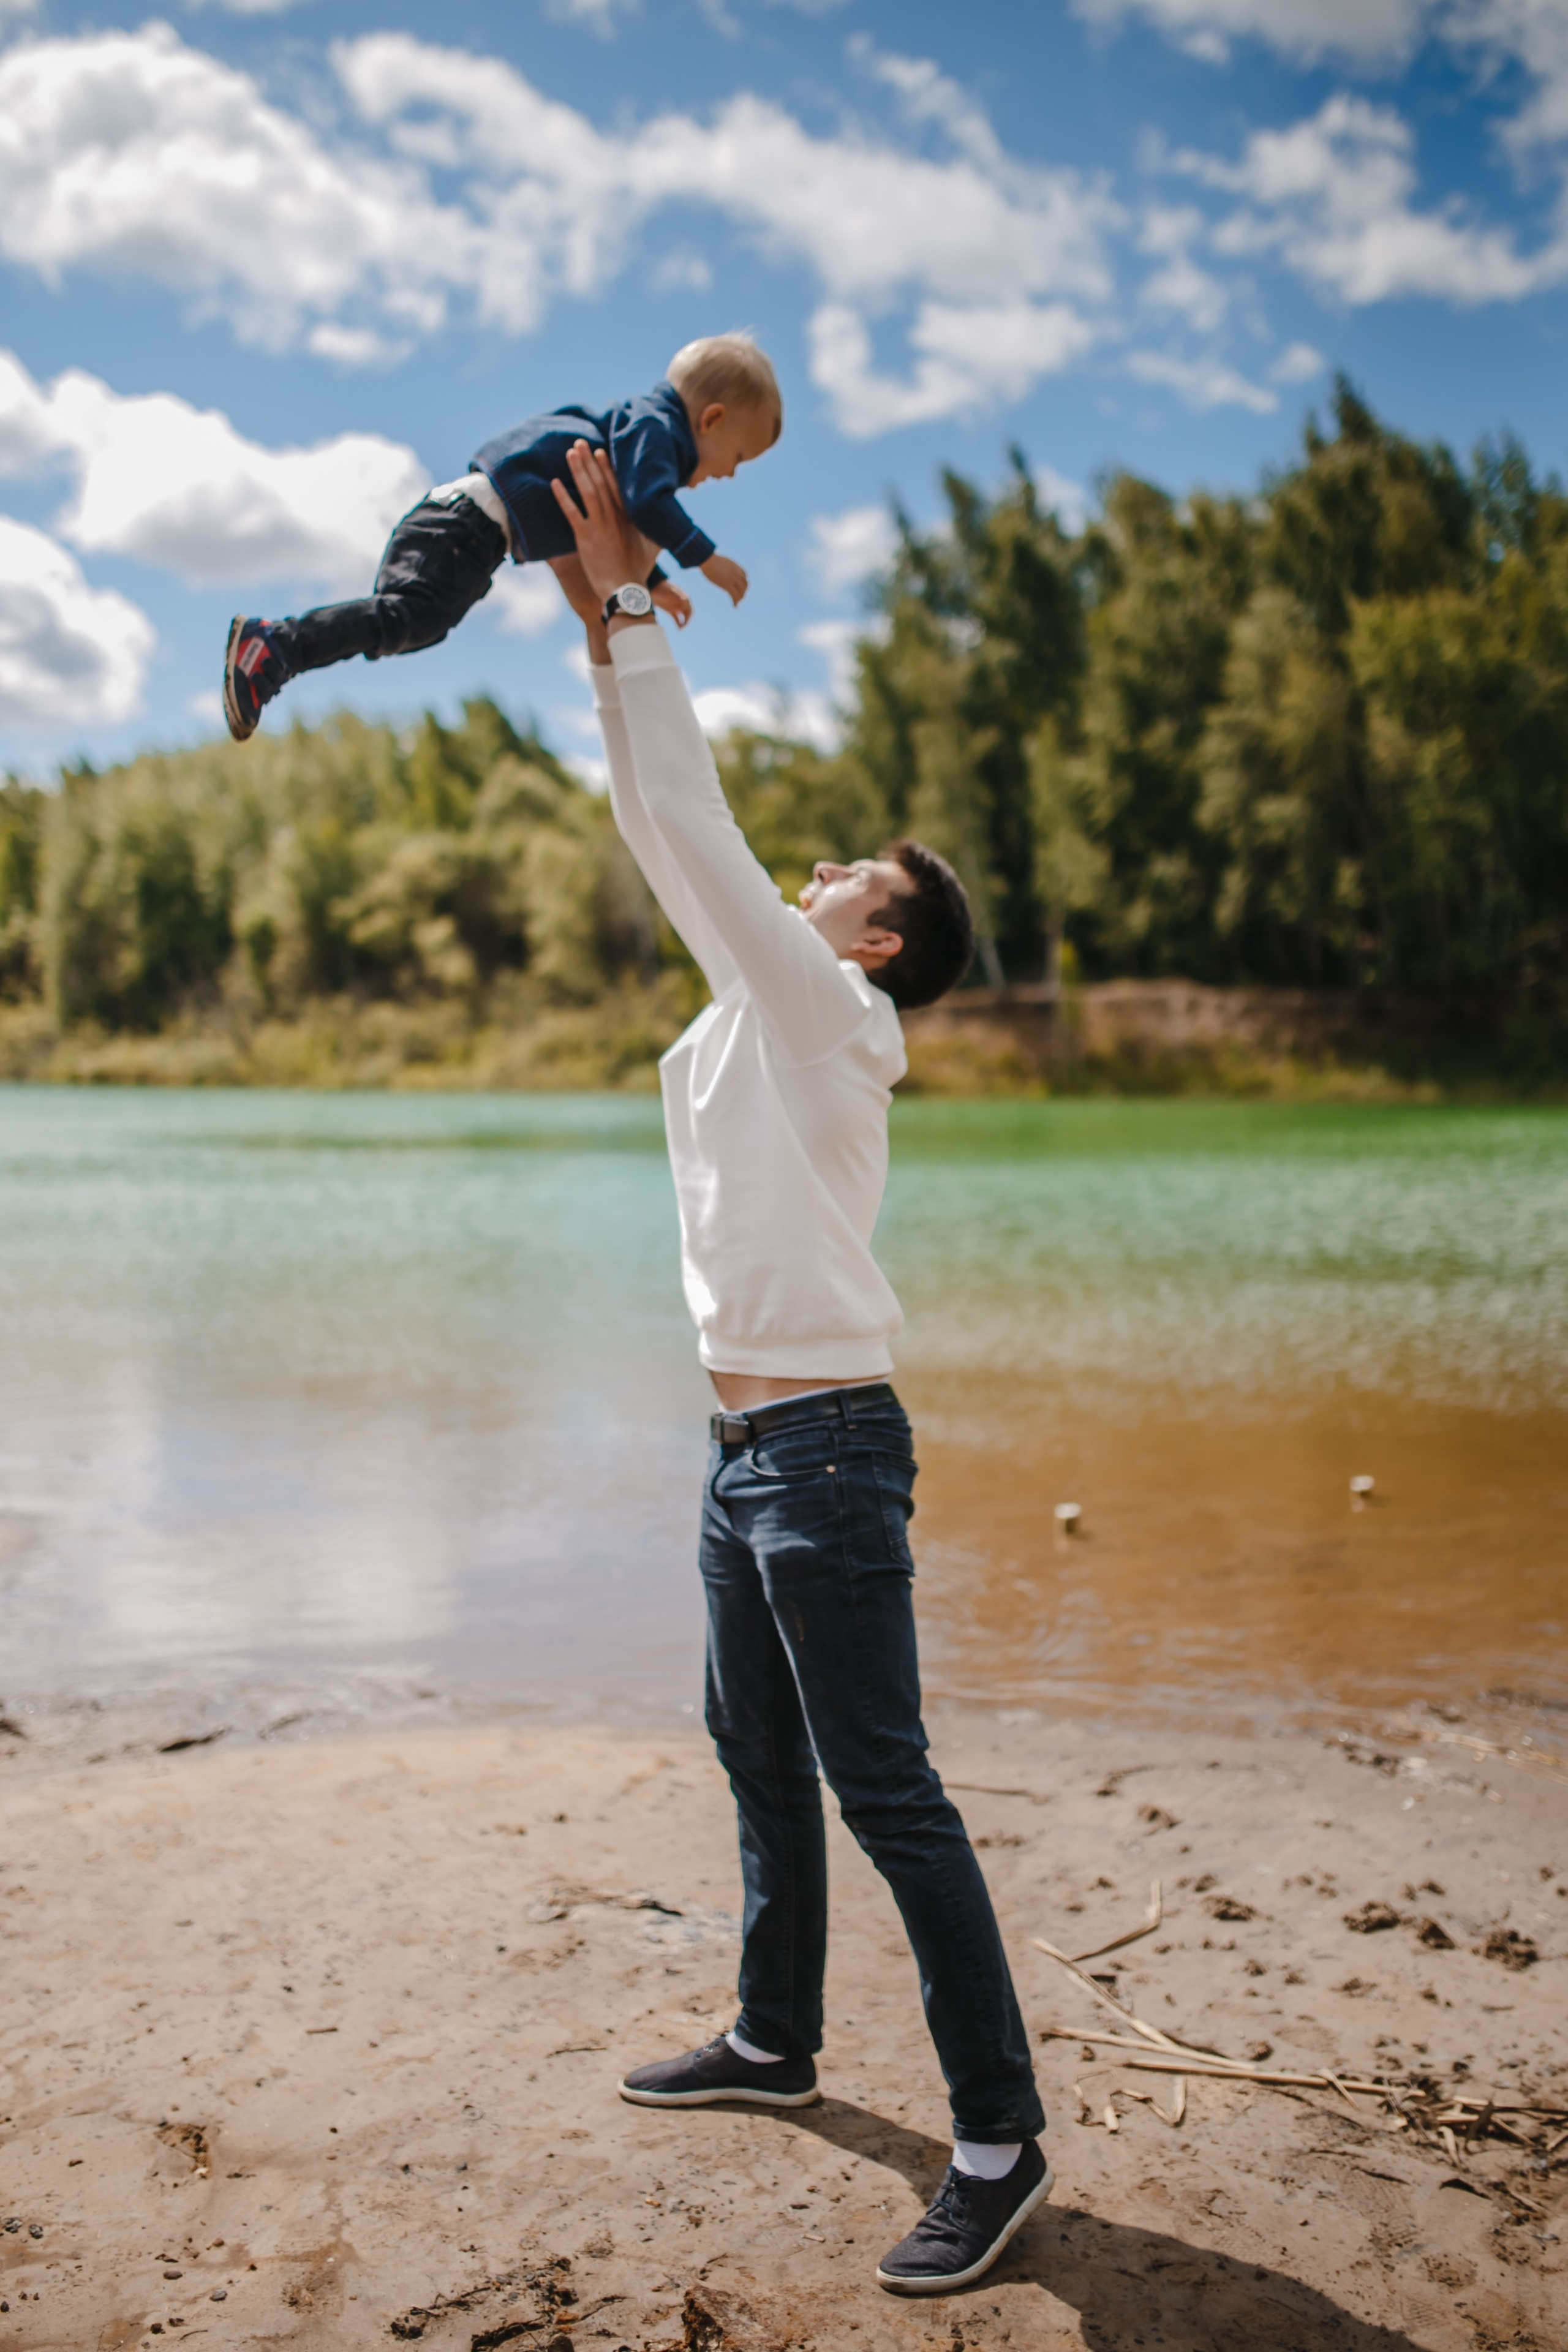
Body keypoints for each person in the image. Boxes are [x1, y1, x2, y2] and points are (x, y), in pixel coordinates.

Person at [549, 438, 1050, 2297]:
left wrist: (630, 606)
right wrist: (598, 638)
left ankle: (997, 2138)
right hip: (743, 1448)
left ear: (880, 939)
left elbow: (699, 834)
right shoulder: (765, 1001)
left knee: (887, 1790)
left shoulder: (830, 1014)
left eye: (851, 873)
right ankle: (774, 2036)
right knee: (752, 1745)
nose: (819, 870)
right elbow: (661, 830)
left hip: (825, 1451)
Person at [220, 333, 779, 742]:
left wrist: (652, 581)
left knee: (409, 621)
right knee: (410, 620)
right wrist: (705, 559)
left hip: (462, 524)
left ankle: (278, 648)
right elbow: (645, 502)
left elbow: (612, 517)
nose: (729, 474)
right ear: (710, 419)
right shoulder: (654, 430)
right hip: (467, 526)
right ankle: (276, 645)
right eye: (737, 457)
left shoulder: (632, 433)